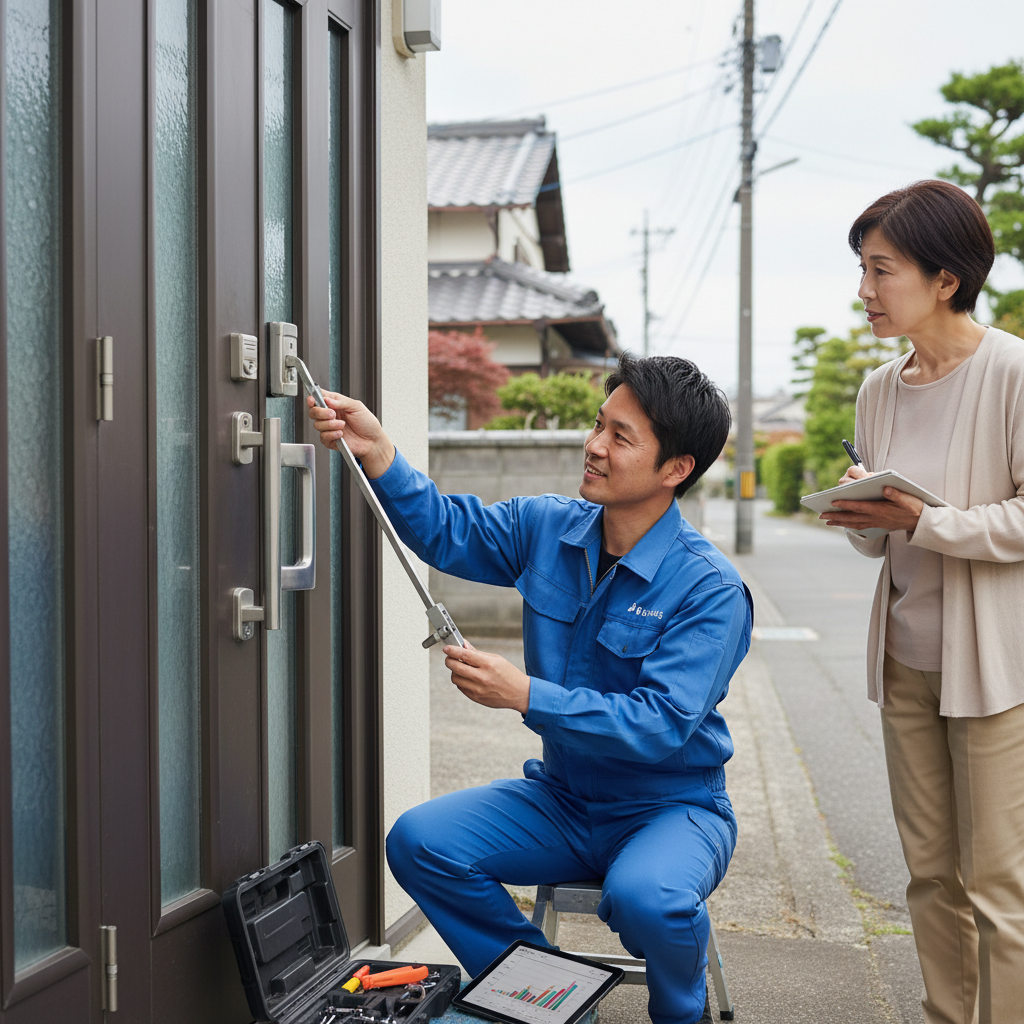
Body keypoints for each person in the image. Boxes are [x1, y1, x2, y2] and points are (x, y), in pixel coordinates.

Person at [308, 355, 751, 1024]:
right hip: (563, 797)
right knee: (419, 841)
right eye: (599, 424)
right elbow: (442, 529)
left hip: (672, 807)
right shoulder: (545, 527)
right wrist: (379, 452)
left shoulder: (710, 589)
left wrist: (526, 695)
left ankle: (680, 1013)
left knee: (648, 897)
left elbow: (660, 723)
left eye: (621, 437)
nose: (594, 446)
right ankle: (553, 997)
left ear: (676, 469)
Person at [821, 179, 1024, 1024]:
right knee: (929, 871)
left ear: (946, 278)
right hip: (907, 659)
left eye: (881, 270)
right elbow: (885, 537)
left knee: (999, 883)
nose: (864, 291)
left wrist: (927, 520)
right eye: (862, 270)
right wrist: (861, 513)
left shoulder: (1011, 370)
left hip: (996, 668)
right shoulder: (879, 388)